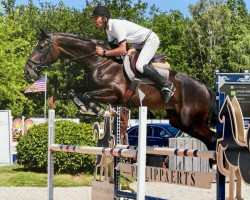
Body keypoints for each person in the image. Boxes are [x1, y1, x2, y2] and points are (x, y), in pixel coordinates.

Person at [91, 6, 175, 103]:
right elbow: (112, 47)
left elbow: (122, 49)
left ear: (104, 17)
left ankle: (167, 86)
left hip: (150, 40)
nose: (94, 21)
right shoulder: (108, 29)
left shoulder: (116, 26)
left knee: (140, 66)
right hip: (139, 43)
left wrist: (104, 52)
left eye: (96, 17)